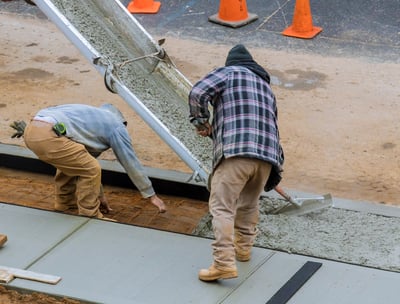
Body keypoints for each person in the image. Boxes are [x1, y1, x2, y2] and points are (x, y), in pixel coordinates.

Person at [189, 44, 284, 281]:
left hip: (236, 152)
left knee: (222, 207)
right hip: (266, 158)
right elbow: (273, 125)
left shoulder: (229, 72)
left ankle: (223, 263)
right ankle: (243, 249)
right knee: (249, 204)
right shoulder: (266, 88)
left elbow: (198, 92)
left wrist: (201, 122)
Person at [22, 103, 166, 219]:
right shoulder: (116, 126)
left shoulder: (87, 118)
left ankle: (64, 203)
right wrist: (151, 194)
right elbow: (130, 162)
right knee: (91, 169)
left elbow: (81, 162)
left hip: (31, 130)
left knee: (74, 162)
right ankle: (89, 214)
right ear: (122, 121)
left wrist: (99, 195)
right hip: (49, 134)